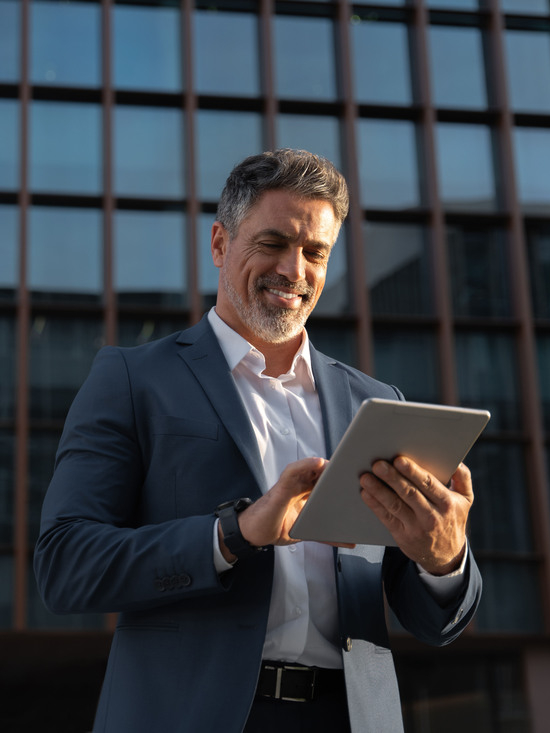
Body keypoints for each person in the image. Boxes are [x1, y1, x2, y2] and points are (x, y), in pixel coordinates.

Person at [34, 149, 482, 733]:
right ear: (220, 244)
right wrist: (234, 534)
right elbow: (66, 566)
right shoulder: (132, 379)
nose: (295, 271)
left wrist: (443, 558)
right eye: (272, 244)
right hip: (189, 715)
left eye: (315, 253)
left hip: (348, 718)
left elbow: (432, 622)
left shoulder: (378, 403)